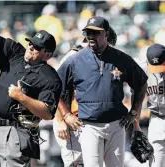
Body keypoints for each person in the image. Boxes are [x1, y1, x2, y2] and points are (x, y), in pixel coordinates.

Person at [0, 6, 62, 167]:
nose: (31, 48)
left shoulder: (50, 77)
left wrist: (22, 97)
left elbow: (48, 113)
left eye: (36, 47)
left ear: (47, 54)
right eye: (31, 43)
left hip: (17, 131)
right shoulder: (15, 53)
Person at [57, 16, 148, 167]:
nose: (91, 37)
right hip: (88, 126)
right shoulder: (75, 60)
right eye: (88, 33)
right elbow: (54, 87)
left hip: (116, 125)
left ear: (106, 33)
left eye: (95, 33)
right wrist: (65, 115)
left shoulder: (121, 58)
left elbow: (141, 83)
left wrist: (134, 112)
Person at [53, 45, 84, 167]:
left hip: (81, 119)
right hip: (69, 120)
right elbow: (54, 89)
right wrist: (59, 119)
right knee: (75, 163)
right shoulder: (73, 56)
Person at [140, 44, 165, 167]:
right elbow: (136, 95)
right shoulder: (143, 68)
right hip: (156, 119)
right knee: (156, 164)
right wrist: (135, 126)